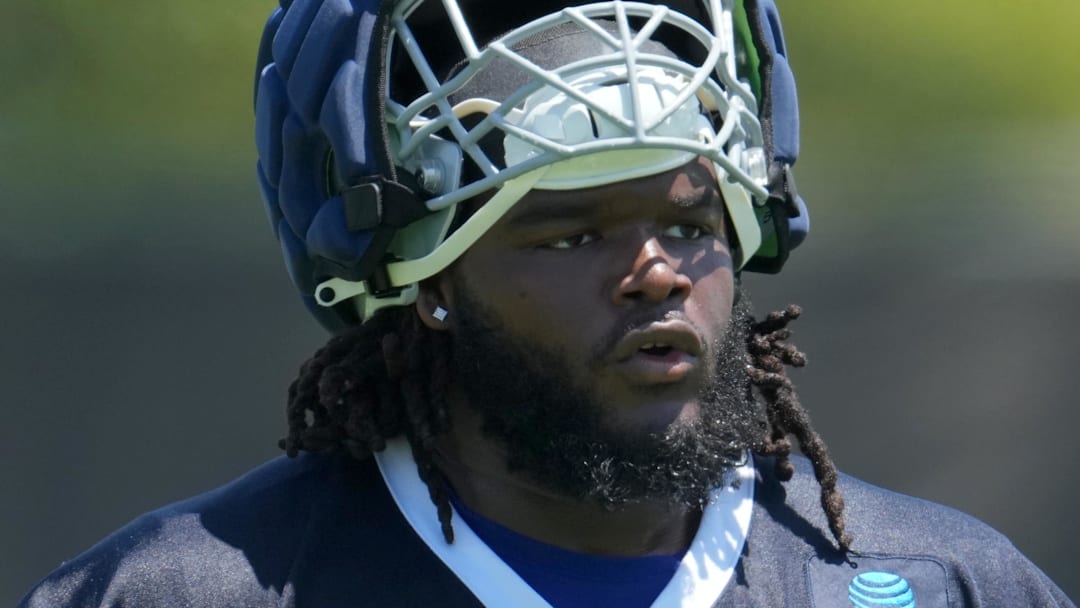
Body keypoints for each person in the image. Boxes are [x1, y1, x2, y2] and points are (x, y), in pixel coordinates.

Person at [19, 0, 1075, 606]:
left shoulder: (945, 584)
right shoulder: (179, 594)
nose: (656, 271)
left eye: (692, 223)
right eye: (571, 232)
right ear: (427, 278)